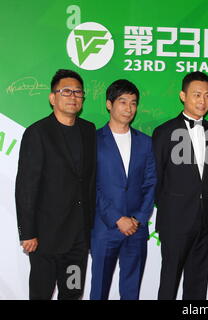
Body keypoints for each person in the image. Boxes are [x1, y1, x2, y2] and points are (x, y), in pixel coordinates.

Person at [15, 69, 96, 300]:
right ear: (53, 98)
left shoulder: (88, 131)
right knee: (41, 294)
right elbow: (26, 187)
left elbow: (89, 181)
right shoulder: (37, 133)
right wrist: (28, 232)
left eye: (78, 92)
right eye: (66, 91)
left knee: (72, 293)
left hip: (78, 240)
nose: (73, 96)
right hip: (45, 239)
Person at [152, 71, 208, 300]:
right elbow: (156, 179)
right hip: (175, 222)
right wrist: (169, 211)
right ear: (183, 96)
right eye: (196, 94)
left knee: (198, 284)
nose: (202, 101)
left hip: (205, 222)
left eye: (207, 95)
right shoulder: (164, 132)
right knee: (169, 281)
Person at [90, 79, 157, 300]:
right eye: (123, 102)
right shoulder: (93, 141)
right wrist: (117, 218)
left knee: (131, 291)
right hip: (104, 227)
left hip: (136, 230)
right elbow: (91, 186)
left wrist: (137, 218)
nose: (129, 108)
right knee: (99, 289)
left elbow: (150, 184)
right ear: (109, 104)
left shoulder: (146, 143)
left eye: (133, 103)